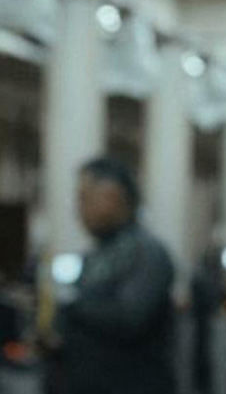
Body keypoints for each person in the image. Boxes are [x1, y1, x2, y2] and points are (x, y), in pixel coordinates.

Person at [58, 156, 175, 394]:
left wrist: (70, 303)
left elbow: (129, 318)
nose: (79, 209)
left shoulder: (146, 252)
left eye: (85, 198)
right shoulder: (95, 254)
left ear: (113, 196)